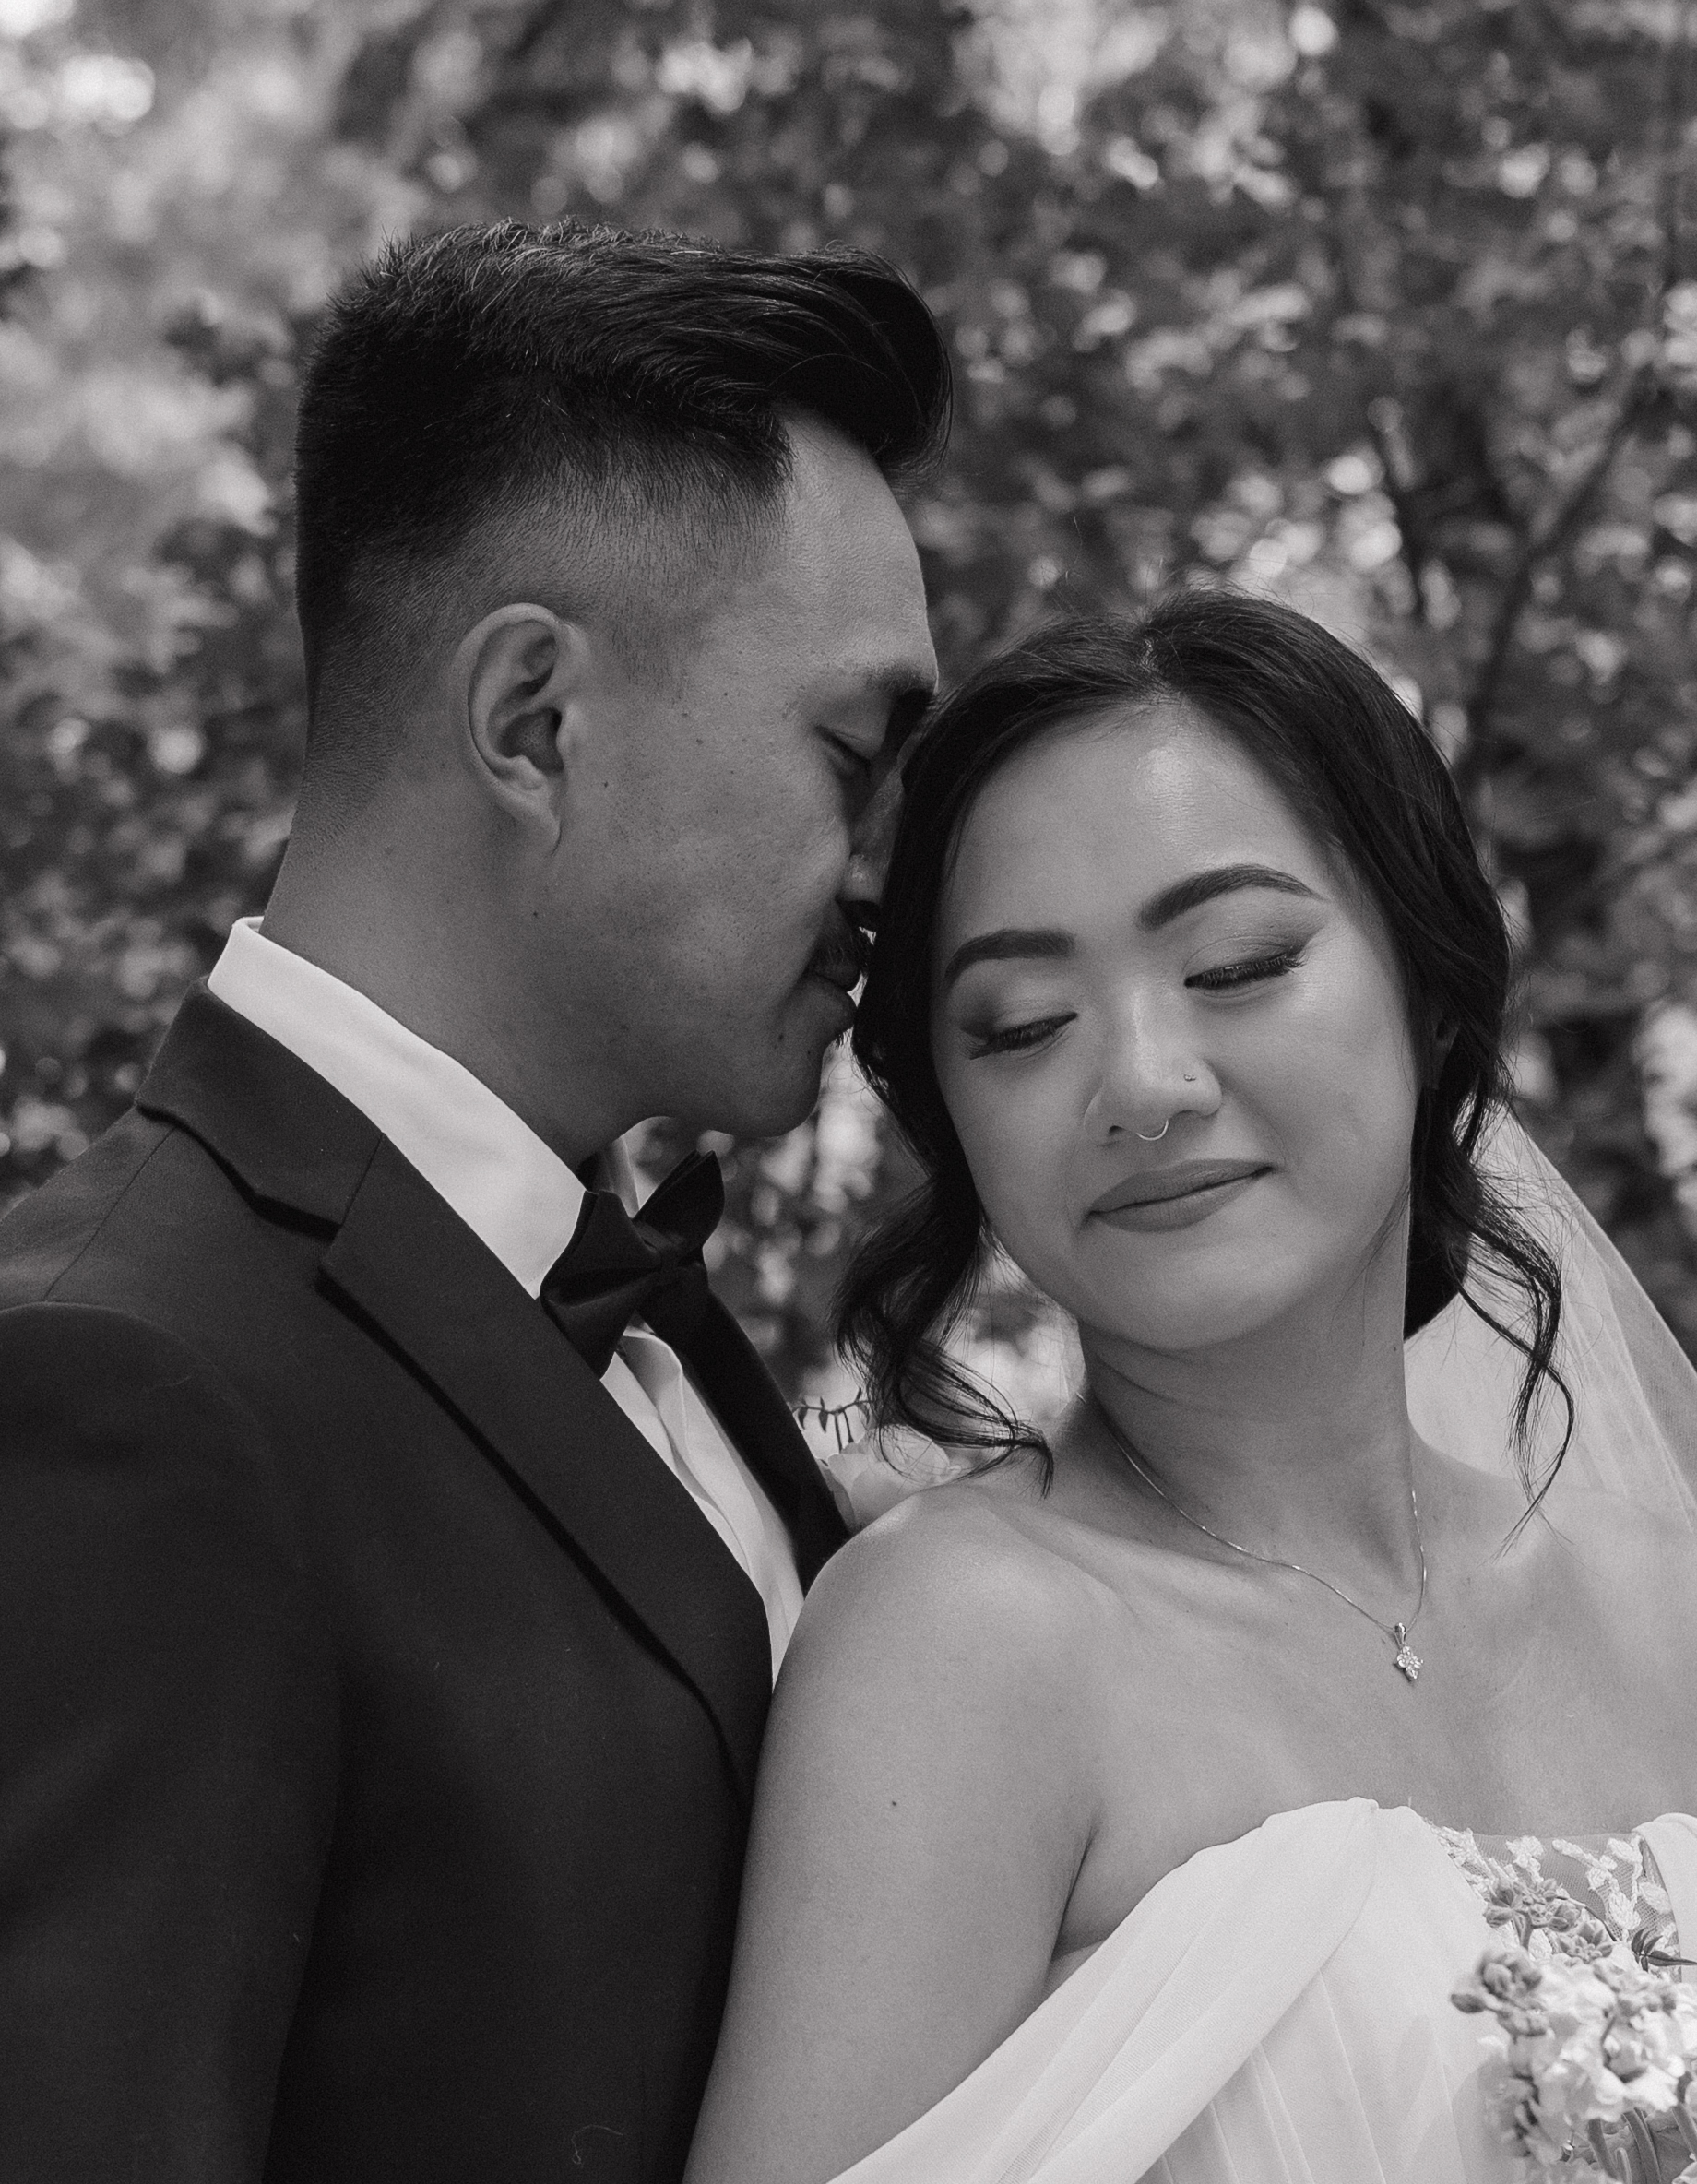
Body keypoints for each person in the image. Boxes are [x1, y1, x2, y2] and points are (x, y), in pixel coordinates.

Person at [0, 220, 945, 2183]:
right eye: (849, 755)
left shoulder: (625, 1296)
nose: (888, 879)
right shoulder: (111, 1388)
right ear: (533, 720)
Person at [682, 590, 1697, 2184]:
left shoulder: (1670, 1597)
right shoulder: (963, 1644)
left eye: (1237, 964)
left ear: (1430, 990)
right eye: (1021, 1025)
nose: (1144, 1085)